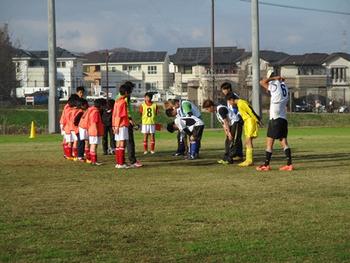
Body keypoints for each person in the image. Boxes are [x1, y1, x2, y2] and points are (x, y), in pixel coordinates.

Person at [256, 70, 293, 171]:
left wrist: (273, 79)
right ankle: (289, 164)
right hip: (283, 118)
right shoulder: (284, 86)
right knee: (284, 141)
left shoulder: (274, 84)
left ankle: (266, 165)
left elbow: (262, 82)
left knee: (269, 142)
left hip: (275, 118)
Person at [226, 93, 261, 167]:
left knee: (248, 140)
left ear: (232, 100)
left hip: (250, 121)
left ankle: (249, 160)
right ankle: (248, 160)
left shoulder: (241, 103)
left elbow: (250, 111)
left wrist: (257, 120)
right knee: (248, 141)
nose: (229, 104)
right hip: (247, 122)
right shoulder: (239, 104)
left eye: (229, 102)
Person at [202, 99, 242, 164]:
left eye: (207, 109)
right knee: (227, 141)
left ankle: (230, 159)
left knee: (232, 141)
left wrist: (229, 132)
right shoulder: (216, 112)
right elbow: (223, 123)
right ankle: (226, 158)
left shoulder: (220, 109)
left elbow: (226, 121)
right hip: (230, 124)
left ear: (211, 106)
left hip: (236, 123)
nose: (207, 111)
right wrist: (226, 132)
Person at [115, 81, 142, 168]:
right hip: (124, 122)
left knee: (120, 143)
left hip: (118, 123)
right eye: (131, 90)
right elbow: (123, 112)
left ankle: (119, 162)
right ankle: (131, 161)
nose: (131, 92)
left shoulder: (118, 98)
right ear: (127, 91)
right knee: (128, 141)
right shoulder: (124, 99)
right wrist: (130, 119)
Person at [220, 82, 243, 160]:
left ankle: (236, 154)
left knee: (236, 137)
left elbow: (237, 108)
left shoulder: (234, 96)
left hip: (237, 120)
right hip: (232, 120)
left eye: (224, 89)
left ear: (229, 89)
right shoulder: (228, 97)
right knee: (232, 137)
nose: (223, 91)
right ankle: (234, 154)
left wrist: (238, 117)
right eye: (222, 90)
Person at [113, 84, 131, 169]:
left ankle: (118, 163)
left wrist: (114, 125)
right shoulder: (123, 102)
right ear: (126, 92)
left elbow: (114, 114)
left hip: (116, 124)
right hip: (122, 124)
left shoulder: (117, 101)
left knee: (117, 143)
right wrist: (117, 126)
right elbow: (121, 115)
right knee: (122, 143)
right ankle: (121, 163)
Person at [87, 98, 104, 165]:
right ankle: (94, 161)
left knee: (93, 145)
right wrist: (96, 132)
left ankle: (92, 160)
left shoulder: (92, 110)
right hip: (94, 131)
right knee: (94, 145)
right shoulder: (95, 112)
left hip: (92, 131)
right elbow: (94, 122)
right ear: (101, 105)